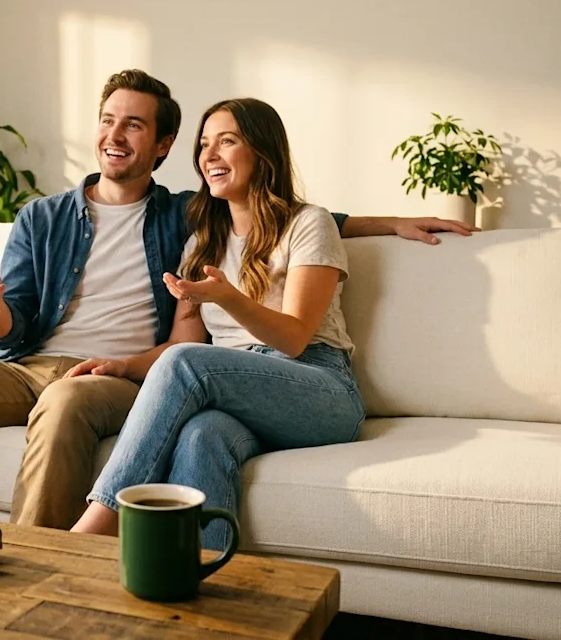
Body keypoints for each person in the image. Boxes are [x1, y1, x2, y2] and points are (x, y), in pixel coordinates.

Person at [0, 70, 476, 527]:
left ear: (161, 146)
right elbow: (22, 325)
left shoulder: (194, 217)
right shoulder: (174, 231)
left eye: (135, 124)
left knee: (112, 389)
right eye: (109, 119)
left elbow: (295, 247)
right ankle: (203, 580)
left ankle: (67, 547)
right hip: (51, 365)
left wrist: (391, 221)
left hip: (274, 376)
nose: (116, 135)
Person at [71, 97, 365, 550]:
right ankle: (201, 584)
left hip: (320, 387)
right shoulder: (202, 244)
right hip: (235, 392)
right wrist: (126, 365)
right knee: (201, 435)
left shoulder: (309, 224)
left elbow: (294, 337)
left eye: (226, 142)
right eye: (204, 144)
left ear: (262, 152)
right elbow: (180, 345)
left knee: (191, 364)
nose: (209, 156)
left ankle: (97, 524)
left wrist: (229, 298)